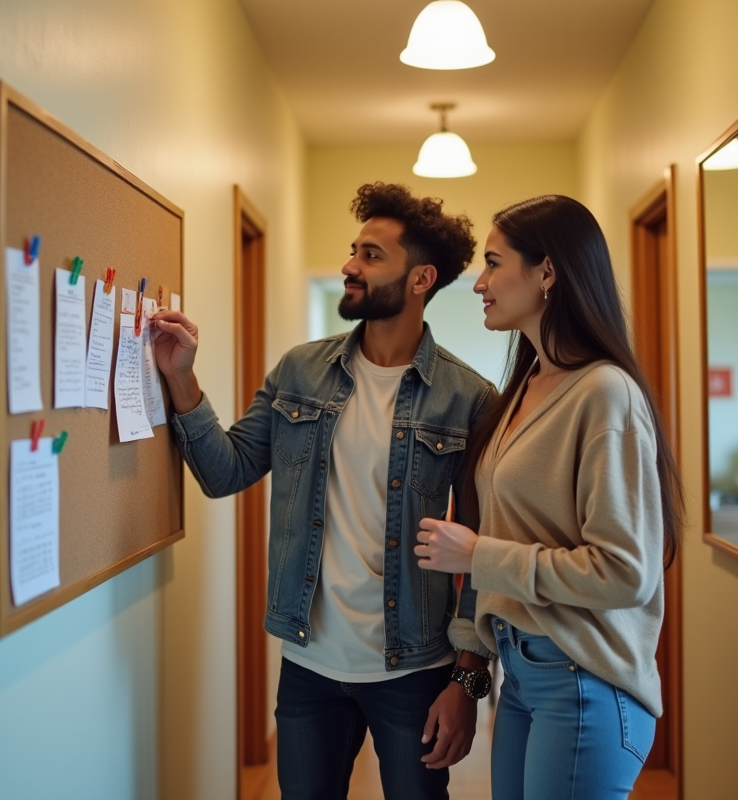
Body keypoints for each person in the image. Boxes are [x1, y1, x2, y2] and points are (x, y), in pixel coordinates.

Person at [150, 182, 497, 800]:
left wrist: (467, 682)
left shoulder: (467, 400)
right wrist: (182, 378)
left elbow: (483, 555)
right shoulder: (299, 371)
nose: (349, 267)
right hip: (309, 668)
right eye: (353, 251)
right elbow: (224, 471)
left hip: (414, 671)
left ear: (421, 280)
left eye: (370, 255)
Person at [413, 195, 684, 800]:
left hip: (585, 680)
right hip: (523, 674)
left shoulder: (605, 394)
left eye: (493, 262)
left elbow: (624, 573)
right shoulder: (523, 390)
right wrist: (473, 670)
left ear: (547, 272)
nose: (479, 282)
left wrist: (479, 554)